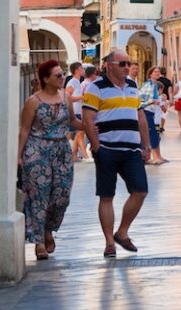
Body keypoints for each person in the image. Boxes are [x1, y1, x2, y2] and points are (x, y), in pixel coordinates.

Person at [82, 49, 151, 258]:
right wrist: (97, 148)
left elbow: (140, 117)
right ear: (109, 65)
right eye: (123, 64)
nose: (127, 67)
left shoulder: (132, 85)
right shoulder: (96, 87)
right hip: (107, 149)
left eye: (129, 63)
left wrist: (146, 145)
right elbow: (88, 119)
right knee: (106, 196)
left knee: (140, 191)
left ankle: (122, 232)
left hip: (131, 150)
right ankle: (109, 242)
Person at [18, 59, 82, 260]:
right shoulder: (33, 101)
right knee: (39, 196)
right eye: (58, 75)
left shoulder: (66, 98)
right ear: (46, 79)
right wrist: (18, 156)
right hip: (37, 151)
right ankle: (39, 241)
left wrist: (90, 126)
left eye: (63, 74)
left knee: (62, 195)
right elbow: (25, 129)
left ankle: (48, 228)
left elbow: (72, 121)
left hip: (61, 151)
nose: (63, 77)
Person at [139, 67, 168, 165]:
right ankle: (153, 157)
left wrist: (161, 102)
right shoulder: (148, 84)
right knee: (152, 135)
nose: (157, 73)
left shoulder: (154, 85)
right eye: (155, 72)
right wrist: (152, 101)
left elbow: (155, 99)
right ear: (150, 74)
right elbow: (142, 98)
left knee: (155, 135)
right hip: (147, 112)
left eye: (158, 72)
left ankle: (156, 156)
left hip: (152, 113)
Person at [65, 62, 86, 162]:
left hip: (77, 111)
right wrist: (82, 97)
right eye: (82, 68)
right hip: (73, 111)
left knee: (78, 133)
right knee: (79, 133)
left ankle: (74, 155)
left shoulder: (77, 82)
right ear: (77, 70)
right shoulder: (73, 82)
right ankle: (84, 155)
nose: (83, 70)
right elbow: (67, 97)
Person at [158, 67, 173, 133]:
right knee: (164, 113)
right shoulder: (168, 81)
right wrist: (171, 100)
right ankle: (162, 127)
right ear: (165, 73)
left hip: (158, 97)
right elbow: (170, 92)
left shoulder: (157, 80)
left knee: (157, 112)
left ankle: (157, 126)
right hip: (165, 99)